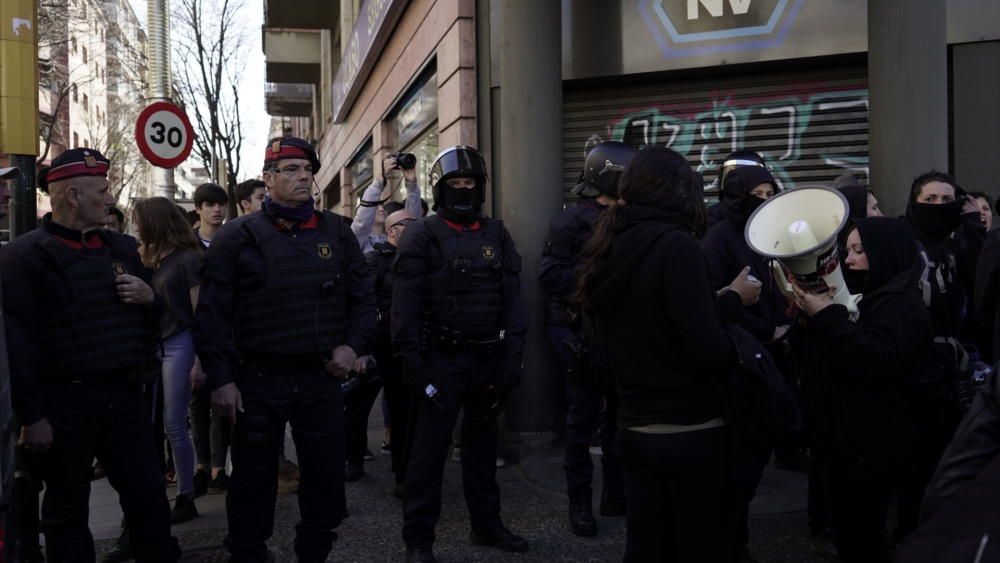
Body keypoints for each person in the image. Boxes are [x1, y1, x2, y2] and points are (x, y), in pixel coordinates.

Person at [195, 136, 375, 563]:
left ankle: (314, 550)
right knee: (254, 479)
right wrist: (221, 379)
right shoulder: (237, 237)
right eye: (290, 170)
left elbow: (364, 299)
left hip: (320, 378)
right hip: (257, 379)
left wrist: (353, 346)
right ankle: (249, 552)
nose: (303, 177)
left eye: (307, 170)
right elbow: (212, 315)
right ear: (268, 178)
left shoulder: (336, 231)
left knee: (326, 476)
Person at [577, 146, 760, 562]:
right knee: (700, 546)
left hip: (633, 429)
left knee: (646, 546)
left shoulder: (610, 243)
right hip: (690, 431)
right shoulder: (677, 247)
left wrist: (720, 299)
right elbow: (706, 348)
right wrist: (733, 307)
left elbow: (643, 321)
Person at [1, 148, 180, 562]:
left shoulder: (123, 249)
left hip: (124, 398)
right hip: (64, 405)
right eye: (102, 190)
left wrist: (150, 297)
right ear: (73, 196)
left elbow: (158, 320)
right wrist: (32, 416)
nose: (111, 198)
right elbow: (19, 343)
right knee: (66, 514)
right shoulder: (25, 257)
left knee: (150, 502)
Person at [392, 145, 528, 563]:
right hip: (440, 361)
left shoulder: (496, 234)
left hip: (486, 359)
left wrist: (512, 359)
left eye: (470, 182)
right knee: (427, 456)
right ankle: (419, 541)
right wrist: (412, 365)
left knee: (483, 450)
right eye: (456, 183)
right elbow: (405, 307)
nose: (464, 189)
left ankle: (486, 526)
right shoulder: (422, 235)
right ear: (441, 188)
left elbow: (513, 301)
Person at [792, 217, 933, 563]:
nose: (849, 259)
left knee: (861, 538)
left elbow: (875, 361)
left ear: (886, 253)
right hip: (845, 443)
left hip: (869, 449)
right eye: (848, 249)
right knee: (851, 533)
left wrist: (828, 317)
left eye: (860, 250)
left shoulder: (903, 306)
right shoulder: (869, 295)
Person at [538, 141, 633, 537]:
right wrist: (595, 287)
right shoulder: (571, 222)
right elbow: (550, 276)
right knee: (582, 424)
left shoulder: (631, 218)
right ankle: (580, 504)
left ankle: (615, 495)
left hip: (621, 334)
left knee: (619, 422)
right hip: (579, 335)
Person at [701, 163, 794, 563]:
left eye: (772, 193)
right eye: (759, 193)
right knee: (735, 468)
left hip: (769, 352)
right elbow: (717, 304)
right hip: (741, 359)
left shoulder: (767, 235)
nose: (767, 201)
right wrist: (763, 329)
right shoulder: (718, 239)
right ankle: (729, 544)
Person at [901, 170, 986, 539]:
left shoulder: (960, 244)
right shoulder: (902, 242)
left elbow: (983, 286)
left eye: (945, 200)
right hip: (910, 368)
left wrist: (973, 231)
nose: (937, 207)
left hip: (956, 370)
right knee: (914, 461)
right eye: (929, 200)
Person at [134, 197, 205, 523]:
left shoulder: (187, 260)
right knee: (164, 424)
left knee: (176, 424)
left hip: (180, 344)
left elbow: (200, 313)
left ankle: (186, 495)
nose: (136, 226)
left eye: (140, 220)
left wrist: (201, 361)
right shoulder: (152, 258)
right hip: (159, 347)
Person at [349, 208, 416, 494]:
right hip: (377, 346)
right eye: (408, 225)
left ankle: (403, 473)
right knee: (357, 408)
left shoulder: (421, 260)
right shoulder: (374, 261)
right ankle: (353, 460)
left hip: (405, 347)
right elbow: (361, 306)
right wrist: (361, 351)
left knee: (403, 411)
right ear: (392, 231)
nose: (415, 230)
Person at [352, 153, 423, 254]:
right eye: (376, 207)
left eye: (382, 206)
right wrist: (379, 182)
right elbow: (362, 223)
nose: (382, 209)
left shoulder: (395, 237)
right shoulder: (359, 240)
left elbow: (412, 222)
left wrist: (412, 185)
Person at [193, 182, 228, 248]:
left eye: (221, 204)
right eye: (210, 205)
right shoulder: (188, 242)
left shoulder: (237, 239)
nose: (217, 209)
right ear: (198, 209)